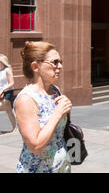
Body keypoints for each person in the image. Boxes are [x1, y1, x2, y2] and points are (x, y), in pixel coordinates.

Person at [13, 41, 72, 173]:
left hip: (61, 167)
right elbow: (35, 146)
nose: (60, 66)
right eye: (55, 62)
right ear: (35, 66)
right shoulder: (26, 99)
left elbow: (59, 129)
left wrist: (66, 108)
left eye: (60, 61)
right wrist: (58, 112)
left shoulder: (55, 90)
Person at [0, 54, 16, 132]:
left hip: (8, 91)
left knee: (8, 109)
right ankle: (8, 126)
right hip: (1, 92)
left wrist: (3, 89)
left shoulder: (7, 70)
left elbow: (12, 83)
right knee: (5, 110)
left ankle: (14, 126)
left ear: (3, 62)